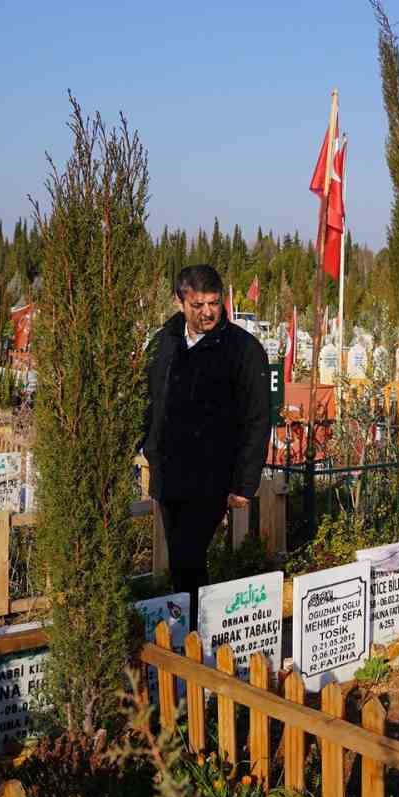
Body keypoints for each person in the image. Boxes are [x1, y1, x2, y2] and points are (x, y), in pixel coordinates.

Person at [141, 265, 272, 627]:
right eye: (198, 304)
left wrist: (244, 483)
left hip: (213, 473)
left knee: (189, 553)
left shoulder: (243, 350)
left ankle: (195, 632)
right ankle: (189, 628)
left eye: (214, 303)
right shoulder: (164, 341)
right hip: (169, 470)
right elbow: (148, 398)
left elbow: (258, 419)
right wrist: (143, 444)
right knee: (182, 557)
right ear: (180, 301)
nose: (208, 312)